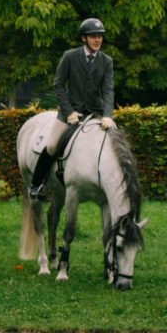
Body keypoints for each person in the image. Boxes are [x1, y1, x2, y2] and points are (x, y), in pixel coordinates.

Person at [29, 17, 115, 201]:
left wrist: (108, 115)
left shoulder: (107, 61)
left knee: (114, 143)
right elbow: (58, 86)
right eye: (93, 36)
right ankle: (36, 185)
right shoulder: (69, 56)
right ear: (84, 38)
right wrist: (69, 112)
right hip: (69, 112)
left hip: (95, 113)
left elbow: (108, 90)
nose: (98, 40)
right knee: (52, 146)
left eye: (100, 36)